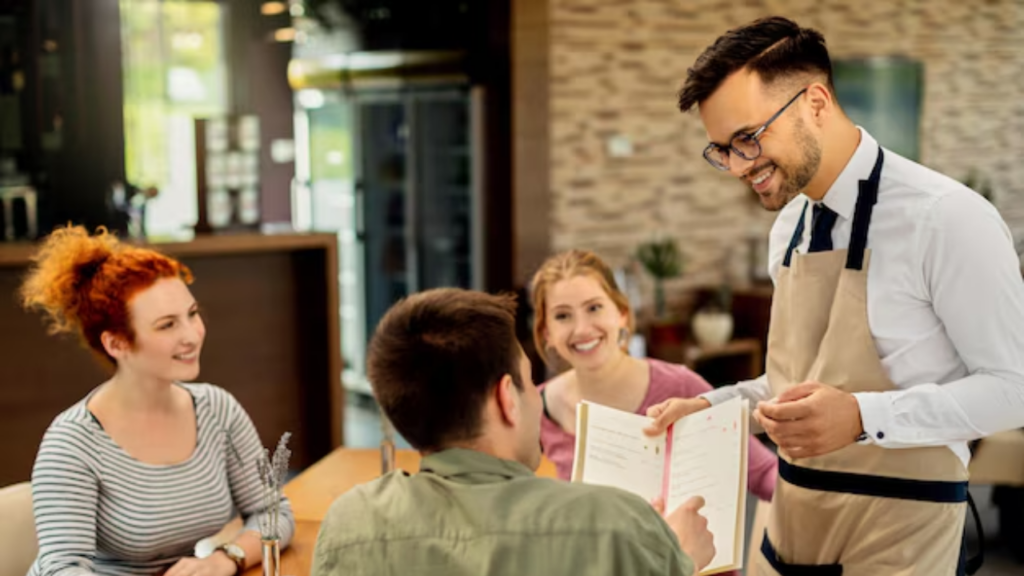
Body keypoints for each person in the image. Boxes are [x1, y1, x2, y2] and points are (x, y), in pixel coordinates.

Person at [644, 16, 1024, 576]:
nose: (739, 167)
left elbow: (1012, 390)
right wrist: (710, 408)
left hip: (904, 529)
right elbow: (793, 384)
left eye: (748, 138)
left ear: (816, 102)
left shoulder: (947, 218)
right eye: (723, 150)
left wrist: (860, 416)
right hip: (795, 522)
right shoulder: (788, 228)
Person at [310, 288, 715, 576]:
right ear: (507, 397)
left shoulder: (349, 526)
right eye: (527, 381)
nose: (537, 401)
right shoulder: (619, 524)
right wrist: (680, 558)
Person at [21, 225, 294, 576]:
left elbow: (274, 514)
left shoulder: (217, 409)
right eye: (167, 325)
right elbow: (63, 569)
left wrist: (224, 559)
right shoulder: (72, 443)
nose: (191, 336)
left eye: (192, 314)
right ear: (116, 344)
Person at [530, 249, 778, 506]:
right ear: (546, 331)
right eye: (562, 315)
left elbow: (762, 472)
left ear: (622, 313)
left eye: (594, 308)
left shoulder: (680, 386)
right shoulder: (536, 406)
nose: (581, 329)